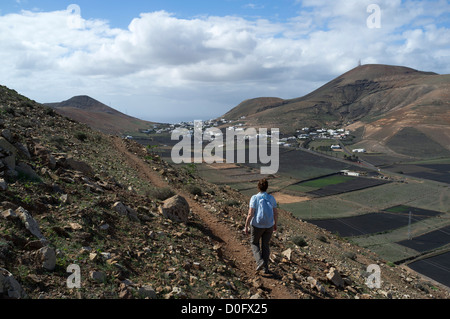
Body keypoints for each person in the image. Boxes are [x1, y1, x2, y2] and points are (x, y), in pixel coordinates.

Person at [245, 178, 278, 274]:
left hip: (257, 225)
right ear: (267, 187)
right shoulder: (271, 198)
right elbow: (275, 213)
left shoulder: (254, 198)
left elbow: (250, 213)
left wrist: (246, 225)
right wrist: (275, 224)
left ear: (258, 187)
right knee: (265, 245)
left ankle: (260, 262)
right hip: (269, 226)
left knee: (254, 243)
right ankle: (265, 268)